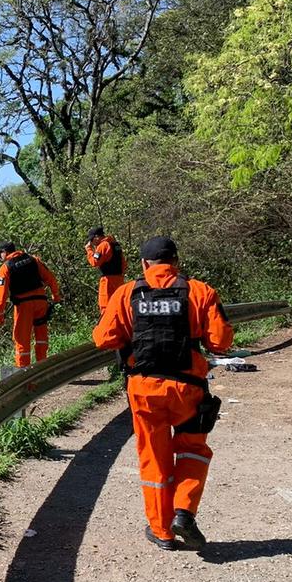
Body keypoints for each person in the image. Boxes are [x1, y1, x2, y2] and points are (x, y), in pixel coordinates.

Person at [92, 236, 234, 550]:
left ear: (143, 264)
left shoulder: (126, 293)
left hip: (143, 389)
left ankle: (162, 531)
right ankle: (183, 511)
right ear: (176, 261)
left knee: (153, 458)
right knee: (192, 447)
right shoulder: (199, 291)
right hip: (188, 387)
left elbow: (102, 338)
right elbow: (221, 342)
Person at [0, 241, 62, 367]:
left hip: (23, 306)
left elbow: (1, 294)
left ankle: (24, 376)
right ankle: (42, 367)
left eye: (0, 255)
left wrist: (0, 316)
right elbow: (50, 278)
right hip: (41, 303)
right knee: (41, 336)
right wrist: (56, 295)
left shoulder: (5, 268)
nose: (0, 258)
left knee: (22, 341)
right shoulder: (33, 259)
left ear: (5, 252)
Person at [85, 226, 127, 313]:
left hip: (108, 281)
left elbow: (94, 262)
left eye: (92, 240)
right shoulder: (115, 244)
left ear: (97, 237)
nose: (92, 243)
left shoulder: (103, 245)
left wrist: (89, 250)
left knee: (106, 307)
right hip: (119, 279)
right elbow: (123, 263)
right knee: (118, 305)